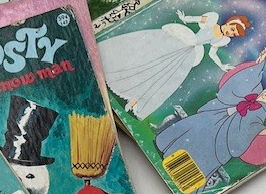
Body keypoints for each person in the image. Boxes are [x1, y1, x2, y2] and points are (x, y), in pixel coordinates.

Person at [154, 50, 266, 190]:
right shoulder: (254, 88)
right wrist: (260, 61)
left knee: (208, 150)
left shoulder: (260, 113)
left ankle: (186, 177)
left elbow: (255, 128)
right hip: (215, 115)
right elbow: (249, 77)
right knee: (193, 129)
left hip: (225, 134)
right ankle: (166, 145)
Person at [100, 11, 252, 120]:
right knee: (152, 60)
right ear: (230, 22)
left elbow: (212, 53)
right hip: (182, 41)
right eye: (232, 29)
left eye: (233, 34)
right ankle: (121, 74)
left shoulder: (223, 40)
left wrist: (221, 66)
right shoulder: (213, 19)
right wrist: (184, 18)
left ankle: (135, 100)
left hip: (189, 54)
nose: (230, 33)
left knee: (164, 78)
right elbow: (196, 19)